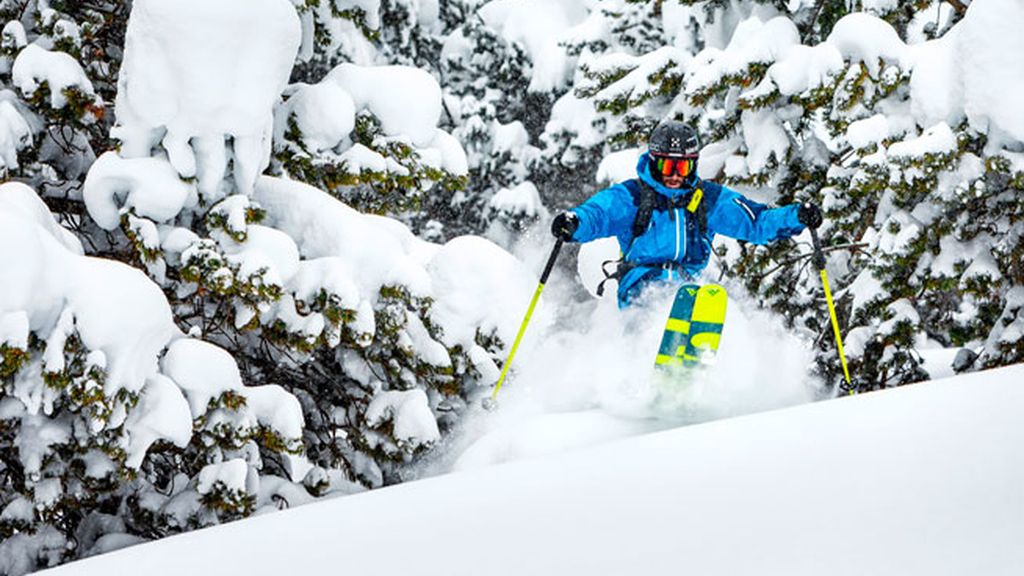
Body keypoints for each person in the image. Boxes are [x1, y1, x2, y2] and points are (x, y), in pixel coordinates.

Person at [551, 120, 822, 308]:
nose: (673, 176)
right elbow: (600, 213)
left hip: (690, 283)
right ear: (655, 162)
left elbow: (757, 222)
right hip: (640, 283)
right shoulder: (635, 196)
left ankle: (704, 370)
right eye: (667, 166)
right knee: (655, 298)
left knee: (703, 299)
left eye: (681, 168)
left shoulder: (706, 198)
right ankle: (645, 360)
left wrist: (797, 216)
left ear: (692, 167)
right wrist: (576, 222)